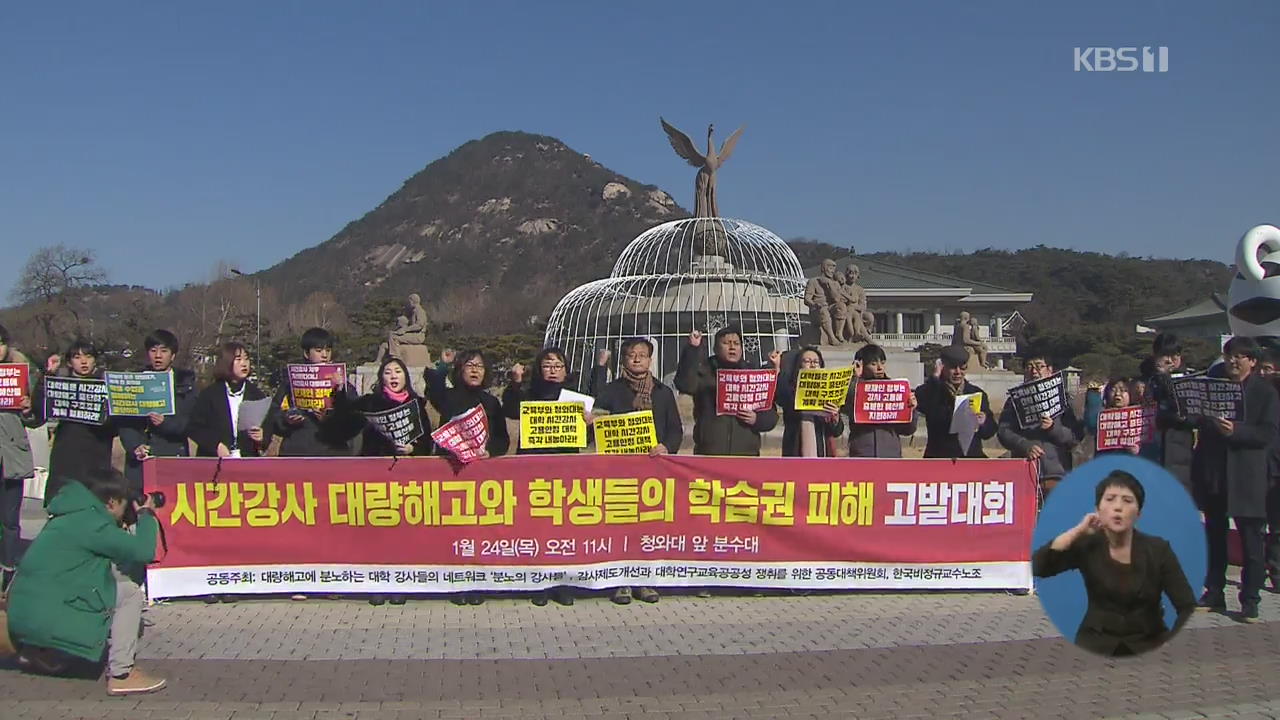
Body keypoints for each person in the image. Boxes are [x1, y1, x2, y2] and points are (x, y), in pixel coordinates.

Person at [7, 468, 165, 695]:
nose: (125, 511)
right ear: (111, 502)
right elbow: (144, 551)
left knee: (101, 580)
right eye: (124, 504)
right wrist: (147, 515)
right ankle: (122, 674)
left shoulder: (67, 516)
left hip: (21, 617)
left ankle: (39, 651)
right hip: (46, 617)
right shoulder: (94, 525)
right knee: (129, 593)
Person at [1032, 471, 1196, 657]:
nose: (1118, 508)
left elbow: (1187, 605)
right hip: (1095, 644)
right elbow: (1039, 567)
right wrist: (1077, 531)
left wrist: (1171, 642)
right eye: (1110, 499)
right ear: (1098, 508)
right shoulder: (1088, 545)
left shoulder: (1158, 549)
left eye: (1127, 501)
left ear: (1139, 512)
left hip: (1148, 643)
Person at [1193, 336, 1278, 622]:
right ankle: (1214, 591)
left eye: (1240, 356)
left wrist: (1236, 431)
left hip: (1248, 475)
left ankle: (1250, 598)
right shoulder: (1215, 387)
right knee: (1214, 536)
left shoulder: (1265, 393)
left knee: (1252, 540)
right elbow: (1202, 427)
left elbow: (1267, 434)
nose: (1233, 361)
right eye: (1229, 355)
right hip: (1217, 474)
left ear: (1252, 361)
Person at [592, 338, 683, 605]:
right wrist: (594, 419)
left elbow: (675, 429)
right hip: (618, 470)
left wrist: (666, 446)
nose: (637, 359)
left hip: (652, 470)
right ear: (623, 359)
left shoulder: (663, 393)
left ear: (650, 360)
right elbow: (597, 419)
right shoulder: (612, 390)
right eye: (631, 355)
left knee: (648, 527)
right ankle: (620, 581)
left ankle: (645, 580)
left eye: (642, 355)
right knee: (619, 526)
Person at [424, 349, 509, 607]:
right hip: (450, 473)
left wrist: (490, 451)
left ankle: (476, 582)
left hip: (480, 478)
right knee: (451, 531)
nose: (475, 370)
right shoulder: (449, 398)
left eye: (480, 366)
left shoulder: (491, 402)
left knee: (475, 533)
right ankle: (453, 582)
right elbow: (433, 389)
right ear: (460, 369)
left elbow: (502, 439)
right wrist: (442, 366)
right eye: (470, 365)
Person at [501, 346, 581, 607]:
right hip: (533, 470)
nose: (553, 370)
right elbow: (511, 409)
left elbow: (586, 437)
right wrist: (515, 382)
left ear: (566, 370)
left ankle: (563, 583)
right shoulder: (529, 394)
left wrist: (589, 422)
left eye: (558, 365)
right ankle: (537, 582)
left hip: (565, 470)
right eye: (548, 365)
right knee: (535, 527)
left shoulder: (574, 396)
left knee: (563, 529)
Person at [350, 356, 434, 607]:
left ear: (406, 376)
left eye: (398, 371)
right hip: (380, 474)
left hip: (409, 477)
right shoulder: (372, 404)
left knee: (405, 534)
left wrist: (413, 449)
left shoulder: (417, 404)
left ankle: (402, 583)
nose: (394, 376)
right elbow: (364, 441)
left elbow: (428, 441)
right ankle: (378, 583)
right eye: (388, 372)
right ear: (381, 378)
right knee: (379, 533)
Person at [31, 339, 118, 506]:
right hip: (66, 454)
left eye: (88, 356)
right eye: (77, 357)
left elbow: (115, 426)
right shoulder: (59, 385)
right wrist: (48, 374)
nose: (83, 361)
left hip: (96, 455)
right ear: (70, 362)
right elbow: (39, 409)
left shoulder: (107, 386)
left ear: (95, 360)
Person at [674, 327, 779, 456]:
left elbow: (771, 416)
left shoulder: (752, 375)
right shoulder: (705, 372)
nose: (732, 347)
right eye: (726, 343)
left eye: (736, 344)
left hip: (746, 455)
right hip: (709, 453)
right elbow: (685, 384)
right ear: (716, 348)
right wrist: (693, 349)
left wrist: (757, 419)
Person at [117, 330, 197, 494]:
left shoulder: (185, 384)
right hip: (141, 460)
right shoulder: (135, 381)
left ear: (173, 355)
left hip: (173, 455)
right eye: (153, 351)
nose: (158, 356)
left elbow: (192, 422)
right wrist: (134, 446)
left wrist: (166, 423)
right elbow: (125, 421)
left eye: (164, 351)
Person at [997, 355, 1082, 498]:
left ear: (1049, 370)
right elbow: (1003, 432)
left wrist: (1053, 428)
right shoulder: (1014, 401)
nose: (1034, 371)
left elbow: (1074, 436)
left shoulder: (1064, 400)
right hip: (1025, 472)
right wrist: (1024, 445)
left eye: (1039, 366)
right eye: (1029, 367)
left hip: (1056, 474)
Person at [270, 327, 361, 457]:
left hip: (333, 450)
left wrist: (341, 389)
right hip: (298, 449)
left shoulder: (343, 384)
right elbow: (274, 415)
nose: (324, 355)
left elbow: (356, 417)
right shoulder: (291, 382)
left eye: (328, 350)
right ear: (307, 353)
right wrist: (287, 420)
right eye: (319, 351)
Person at [0, 324, 40, 593]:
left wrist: (28, 408)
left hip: (10, 457)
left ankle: (8, 568)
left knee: (10, 519)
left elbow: (37, 419)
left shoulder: (21, 374)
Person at [186, 342, 269, 458]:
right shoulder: (210, 395)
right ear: (226, 362)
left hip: (246, 463)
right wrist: (216, 445)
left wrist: (261, 438)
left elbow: (267, 428)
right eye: (238, 359)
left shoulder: (257, 395)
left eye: (246, 359)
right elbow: (194, 428)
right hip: (215, 462)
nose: (244, 364)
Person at [914, 345, 996, 458]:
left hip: (971, 458)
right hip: (940, 458)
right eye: (953, 367)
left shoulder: (977, 393)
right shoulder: (934, 390)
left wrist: (983, 422)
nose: (958, 372)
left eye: (962, 368)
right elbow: (921, 400)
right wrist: (935, 377)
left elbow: (989, 431)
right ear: (943, 367)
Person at [844, 344, 918, 458]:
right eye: (873, 364)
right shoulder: (854, 387)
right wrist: (855, 378)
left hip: (890, 454)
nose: (880, 368)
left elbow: (908, 430)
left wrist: (912, 410)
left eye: (882, 363)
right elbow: (846, 405)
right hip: (863, 453)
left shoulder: (896, 391)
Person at [772, 346, 844, 457]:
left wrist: (835, 417)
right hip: (795, 453)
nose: (813, 365)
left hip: (822, 455)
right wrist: (777, 367)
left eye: (816, 362)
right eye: (807, 361)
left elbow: (837, 431)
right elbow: (780, 395)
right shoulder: (791, 390)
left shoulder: (828, 393)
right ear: (799, 366)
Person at [1145, 333, 1194, 493]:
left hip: (1180, 447)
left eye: (1176, 355)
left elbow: (1184, 409)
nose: (1171, 360)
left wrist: (1166, 377)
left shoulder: (1188, 379)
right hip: (1153, 444)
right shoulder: (1149, 380)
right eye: (1165, 355)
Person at [1094, 379, 1142, 457]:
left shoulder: (1141, 417)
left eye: (1123, 390)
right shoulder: (1099, 416)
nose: (1117, 393)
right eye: (1113, 390)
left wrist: (1138, 450)